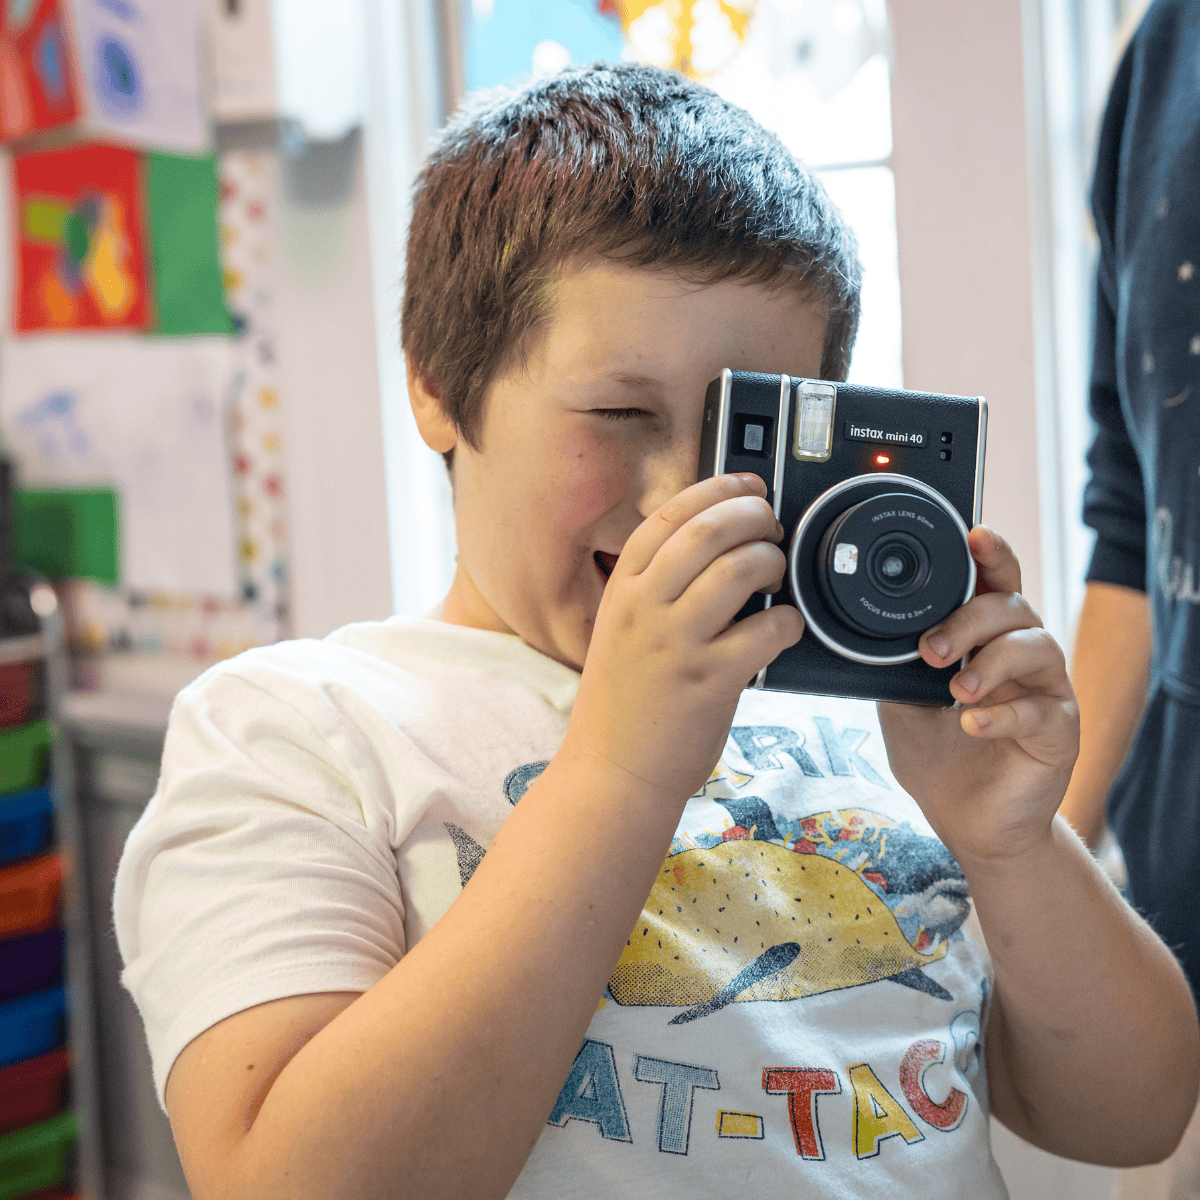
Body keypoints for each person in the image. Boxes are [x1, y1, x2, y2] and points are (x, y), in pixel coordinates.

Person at [113, 64, 1197, 1199]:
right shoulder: (296, 730)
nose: (686, 492)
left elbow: (1132, 1114)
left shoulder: (876, 731)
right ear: (438, 384)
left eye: (750, 429)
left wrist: (1008, 844)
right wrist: (624, 771)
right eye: (621, 414)